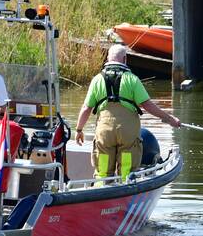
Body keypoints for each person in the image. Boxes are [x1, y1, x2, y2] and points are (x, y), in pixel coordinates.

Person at [75, 44, 180, 179]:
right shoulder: (132, 79)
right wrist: (169, 119)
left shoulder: (97, 80)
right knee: (126, 171)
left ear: (108, 58)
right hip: (128, 133)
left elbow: (86, 108)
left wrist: (79, 130)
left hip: (105, 132)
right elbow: (148, 105)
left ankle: (101, 187)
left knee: (102, 171)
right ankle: (125, 187)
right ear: (125, 59)